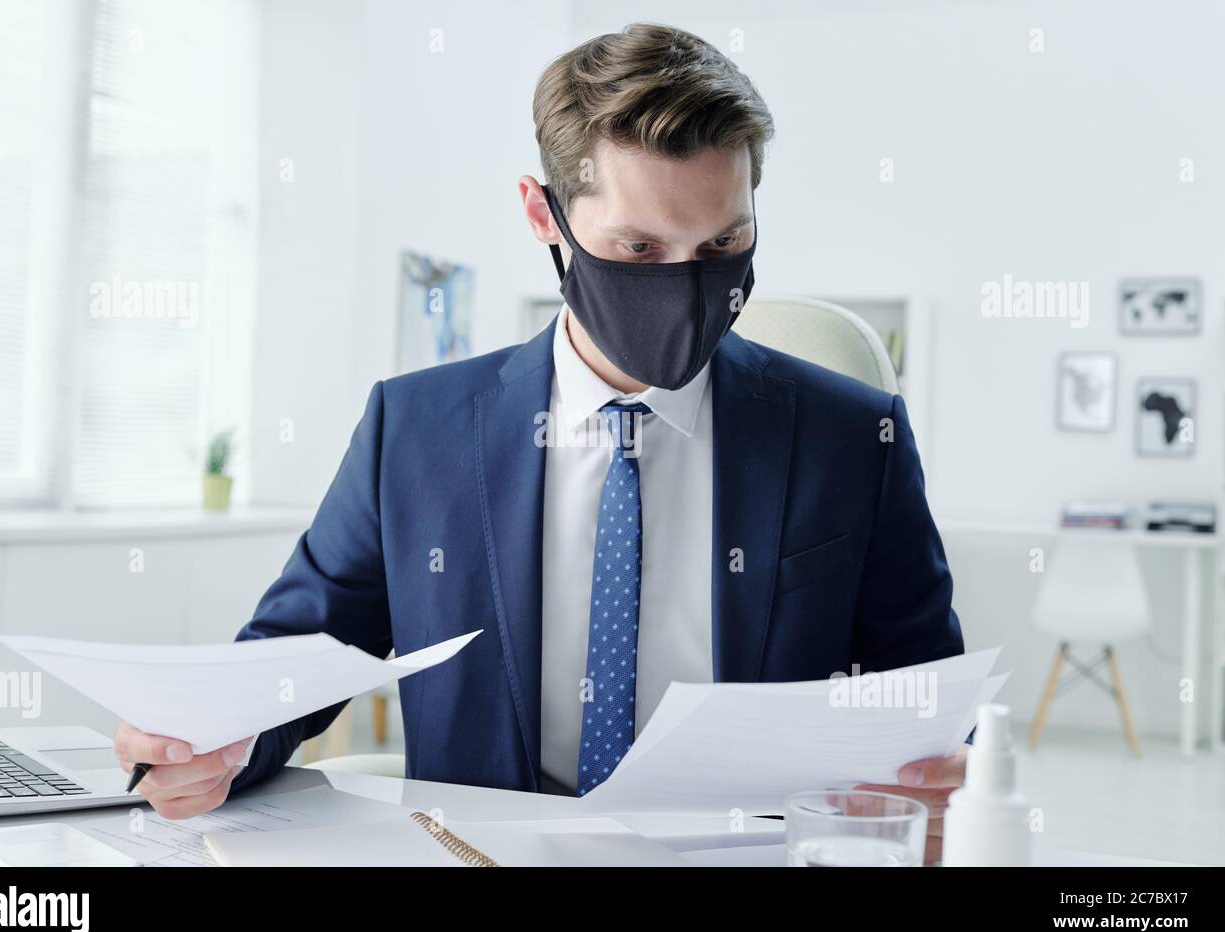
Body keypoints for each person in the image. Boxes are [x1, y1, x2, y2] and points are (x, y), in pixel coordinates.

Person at [114, 22, 966, 861]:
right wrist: (213, 743)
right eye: (638, 246)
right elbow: (297, 660)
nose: (690, 283)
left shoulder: (855, 438)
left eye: (723, 244)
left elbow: (924, 701)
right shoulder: (415, 431)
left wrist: (935, 778)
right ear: (543, 215)